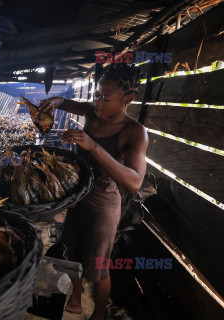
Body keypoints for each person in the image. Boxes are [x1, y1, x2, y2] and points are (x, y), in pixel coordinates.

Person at [39, 63, 148, 320]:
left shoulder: (135, 132)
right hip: (79, 201)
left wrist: (94, 147)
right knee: (73, 257)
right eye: (96, 95)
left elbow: (134, 182)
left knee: (100, 268)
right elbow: (66, 102)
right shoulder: (94, 113)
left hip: (103, 207)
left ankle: (99, 314)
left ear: (128, 99)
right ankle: (75, 301)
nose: (97, 102)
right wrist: (54, 102)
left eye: (104, 98)